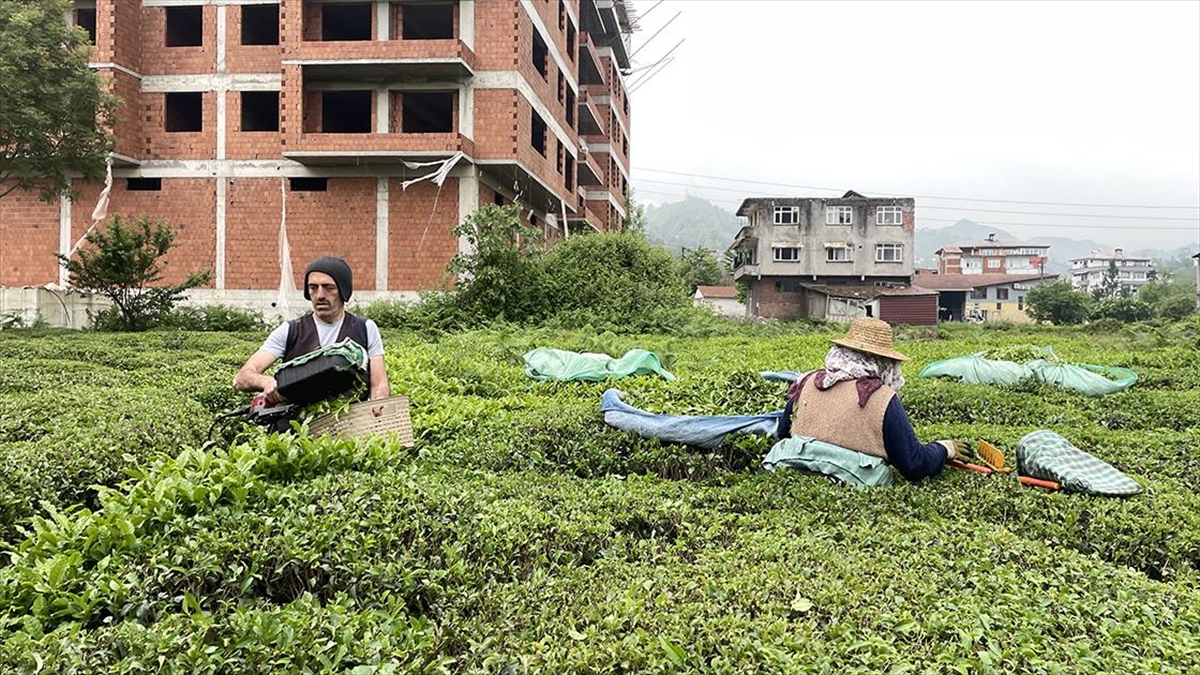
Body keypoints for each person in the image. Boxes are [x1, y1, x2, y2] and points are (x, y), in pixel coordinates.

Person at [776, 317, 965, 482]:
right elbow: (913, 464)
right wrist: (943, 449)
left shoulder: (807, 382)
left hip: (791, 471)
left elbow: (783, 433)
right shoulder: (882, 397)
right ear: (882, 361)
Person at [234, 256, 390, 414]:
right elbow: (242, 377)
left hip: (349, 427)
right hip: (298, 431)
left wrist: (378, 407)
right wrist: (265, 381)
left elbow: (379, 384)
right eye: (313, 287)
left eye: (328, 287)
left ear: (343, 290)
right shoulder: (291, 331)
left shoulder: (365, 329)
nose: (320, 295)